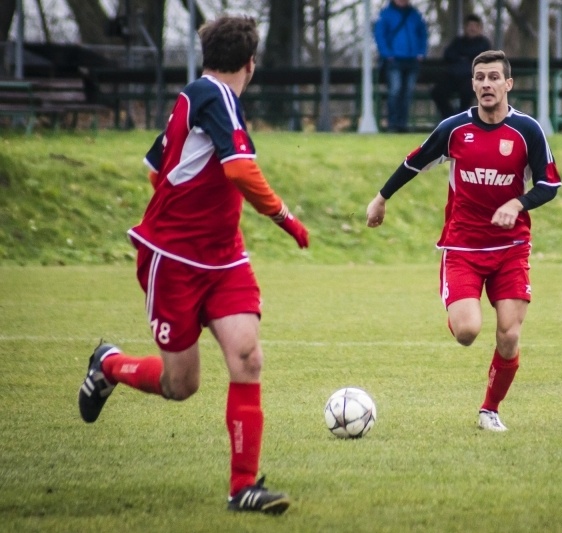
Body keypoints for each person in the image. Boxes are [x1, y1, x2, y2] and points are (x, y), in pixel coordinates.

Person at [77, 15, 309, 515]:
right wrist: (286, 218)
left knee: (247, 358)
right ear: (251, 63)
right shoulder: (217, 97)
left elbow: (154, 168)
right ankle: (109, 366)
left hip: (224, 259)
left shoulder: (196, 95)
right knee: (180, 385)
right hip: (174, 263)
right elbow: (240, 169)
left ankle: (243, 487)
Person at [365, 50, 562, 432]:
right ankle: (458, 314)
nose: (487, 84)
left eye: (494, 77)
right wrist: (381, 197)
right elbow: (414, 161)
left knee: (509, 334)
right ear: (472, 84)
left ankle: (489, 410)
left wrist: (518, 203)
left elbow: (549, 184)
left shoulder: (528, 131)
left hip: (511, 249)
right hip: (463, 249)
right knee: (468, 332)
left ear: (508, 84)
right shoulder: (455, 129)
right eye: (480, 78)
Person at [374, 0, 428, 132]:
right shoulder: (386, 14)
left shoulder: (415, 14)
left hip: (412, 59)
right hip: (394, 60)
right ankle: (393, 124)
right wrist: (387, 54)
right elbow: (379, 35)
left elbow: (423, 34)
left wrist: (421, 52)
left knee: (407, 93)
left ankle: (403, 124)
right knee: (395, 91)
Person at [430, 14, 492, 120]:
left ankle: (462, 119)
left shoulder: (484, 43)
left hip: (471, 77)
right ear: (465, 27)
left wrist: (463, 57)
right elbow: (448, 54)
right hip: (453, 76)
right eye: (469, 26)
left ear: (479, 28)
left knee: (467, 92)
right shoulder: (458, 42)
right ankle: (450, 117)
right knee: (437, 92)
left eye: (475, 26)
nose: (472, 28)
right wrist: (467, 57)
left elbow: (482, 58)